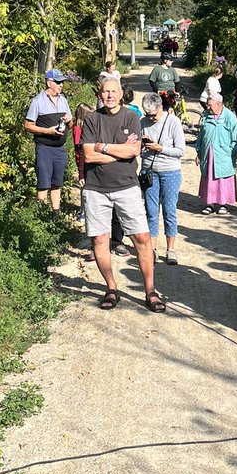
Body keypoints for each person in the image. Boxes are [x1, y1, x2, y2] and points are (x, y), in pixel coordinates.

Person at [81, 79, 165, 312]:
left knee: (142, 238)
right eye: (105, 91)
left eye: (113, 91)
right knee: (99, 240)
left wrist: (103, 147)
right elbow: (88, 156)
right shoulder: (92, 119)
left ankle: (150, 291)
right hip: (96, 189)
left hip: (126, 187)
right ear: (100, 93)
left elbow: (134, 151)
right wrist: (119, 151)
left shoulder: (131, 118)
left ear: (121, 94)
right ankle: (111, 288)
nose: (109, 95)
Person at [140, 93, 186, 265]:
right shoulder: (142, 123)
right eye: (147, 115)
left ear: (160, 108)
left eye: (153, 114)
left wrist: (160, 148)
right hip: (149, 171)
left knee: (169, 210)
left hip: (170, 171)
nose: (150, 118)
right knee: (151, 211)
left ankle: (170, 249)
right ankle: (152, 249)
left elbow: (181, 150)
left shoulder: (173, 122)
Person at [23, 69, 73, 218]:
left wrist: (69, 120)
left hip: (60, 148)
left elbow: (70, 125)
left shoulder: (63, 100)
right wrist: (48, 131)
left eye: (62, 82)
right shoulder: (37, 101)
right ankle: (41, 217)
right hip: (44, 148)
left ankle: (55, 215)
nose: (61, 85)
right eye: (58, 82)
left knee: (57, 182)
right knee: (43, 183)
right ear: (49, 82)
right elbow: (27, 125)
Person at [195, 96, 237, 216]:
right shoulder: (206, 114)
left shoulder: (229, 117)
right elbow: (201, 134)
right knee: (208, 177)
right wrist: (199, 151)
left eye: (210, 105)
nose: (208, 107)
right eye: (208, 105)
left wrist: (231, 152)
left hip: (224, 154)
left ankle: (223, 203)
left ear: (219, 104)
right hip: (208, 153)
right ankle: (209, 203)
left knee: (222, 178)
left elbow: (236, 137)